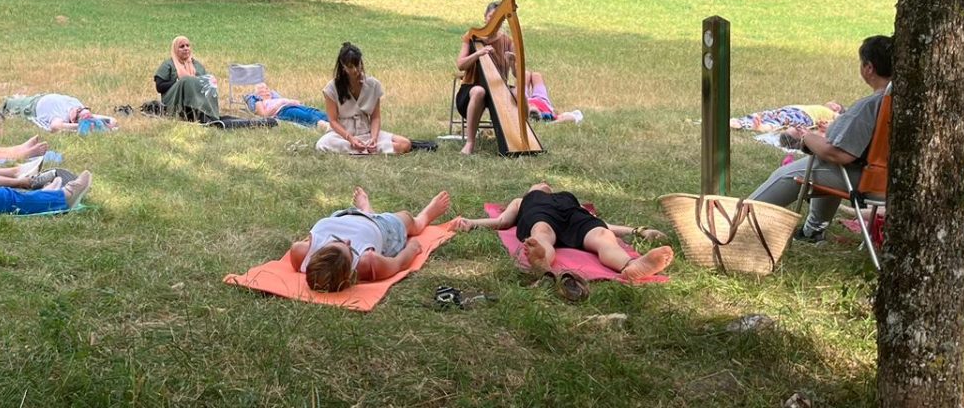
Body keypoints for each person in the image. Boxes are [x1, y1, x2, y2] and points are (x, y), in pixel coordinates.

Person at [745, 35, 893, 242]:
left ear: (869, 68)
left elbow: (839, 154)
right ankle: (812, 231)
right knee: (822, 166)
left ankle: (736, 220)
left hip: (869, 179)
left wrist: (807, 138)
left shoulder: (872, 104)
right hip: (886, 177)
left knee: (790, 174)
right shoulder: (897, 99)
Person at [450, 183, 674, 281]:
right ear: (532, 188)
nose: (543, 184)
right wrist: (472, 222)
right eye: (539, 183)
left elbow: (602, 223)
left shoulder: (566, 197)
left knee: (602, 235)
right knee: (542, 232)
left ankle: (630, 266)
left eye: (546, 183)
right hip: (541, 215)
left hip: (574, 215)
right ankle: (542, 262)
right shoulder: (522, 200)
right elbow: (501, 221)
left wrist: (639, 230)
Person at [288, 187, 451, 292]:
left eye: (336, 240)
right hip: (382, 229)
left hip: (343, 215)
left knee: (365, 216)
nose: (347, 241)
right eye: (351, 250)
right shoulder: (368, 262)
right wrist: (412, 248)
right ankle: (423, 218)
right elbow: (398, 263)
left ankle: (366, 210)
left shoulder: (300, 252)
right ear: (351, 273)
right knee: (407, 219)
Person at [316, 43, 413, 155]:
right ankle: (364, 150)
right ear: (343, 67)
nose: (356, 70)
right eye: (351, 67)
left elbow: (375, 117)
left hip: (366, 131)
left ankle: (363, 150)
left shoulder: (373, 85)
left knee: (405, 143)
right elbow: (333, 121)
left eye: (358, 65)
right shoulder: (331, 88)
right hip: (344, 134)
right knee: (322, 144)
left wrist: (374, 138)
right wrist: (350, 138)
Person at [153, 36, 222, 123]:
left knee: (210, 80)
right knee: (187, 81)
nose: (186, 48)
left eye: (187, 46)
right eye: (182, 46)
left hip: (198, 98)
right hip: (172, 100)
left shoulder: (197, 65)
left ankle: (210, 113)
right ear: (175, 49)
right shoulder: (168, 65)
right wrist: (178, 82)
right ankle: (192, 113)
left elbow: (204, 83)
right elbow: (159, 87)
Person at [0, 95, 119, 133]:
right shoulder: (61, 114)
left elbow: (112, 120)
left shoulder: (77, 105)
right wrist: (78, 126)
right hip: (25, 106)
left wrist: (100, 122)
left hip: (40, 98)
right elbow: (55, 127)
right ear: (73, 120)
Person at [245, 84, 330, 131]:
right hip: (282, 111)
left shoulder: (276, 98)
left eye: (267, 89)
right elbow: (264, 115)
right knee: (306, 115)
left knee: (313, 111)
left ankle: (335, 120)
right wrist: (281, 103)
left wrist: (291, 101)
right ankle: (325, 126)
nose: (265, 91)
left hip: (292, 105)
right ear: (257, 95)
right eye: (261, 91)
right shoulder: (259, 102)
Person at [730, 102, 845, 133]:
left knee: (781, 121)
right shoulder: (819, 107)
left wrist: (830, 120)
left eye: (836, 104)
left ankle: (762, 127)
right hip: (790, 110)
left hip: (803, 117)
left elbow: (842, 119)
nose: (832, 103)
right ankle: (742, 121)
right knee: (767, 114)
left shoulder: (832, 114)